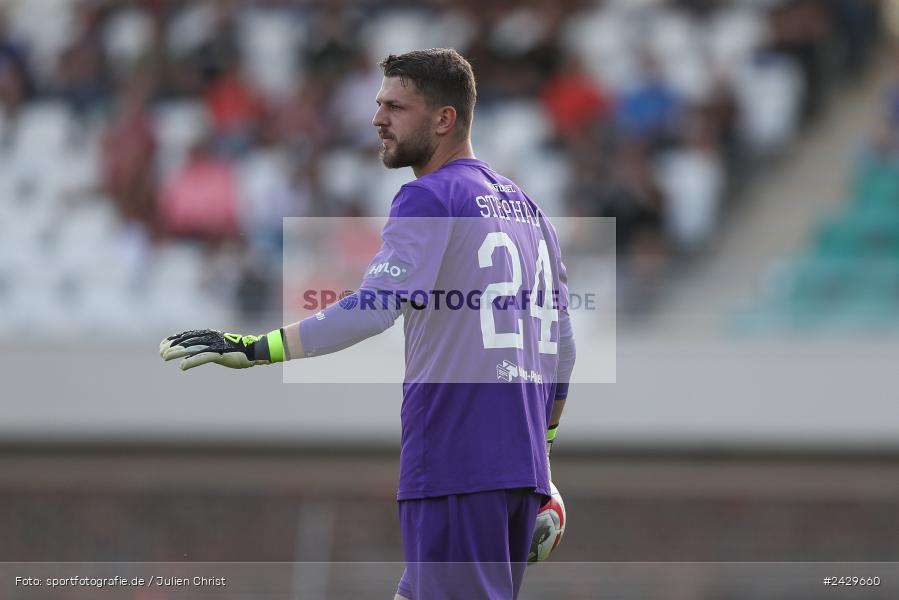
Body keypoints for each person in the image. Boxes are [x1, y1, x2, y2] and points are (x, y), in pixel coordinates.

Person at [159, 48, 576, 600]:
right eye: (379, 104)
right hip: (515, 474)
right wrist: (541, 454)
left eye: (396, 107)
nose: (378, 117)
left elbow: (376, 306)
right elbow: (563, 351)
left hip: (457, 462)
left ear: (444, 119)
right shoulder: (531, 211)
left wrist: (263, 348)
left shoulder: (430, 196)